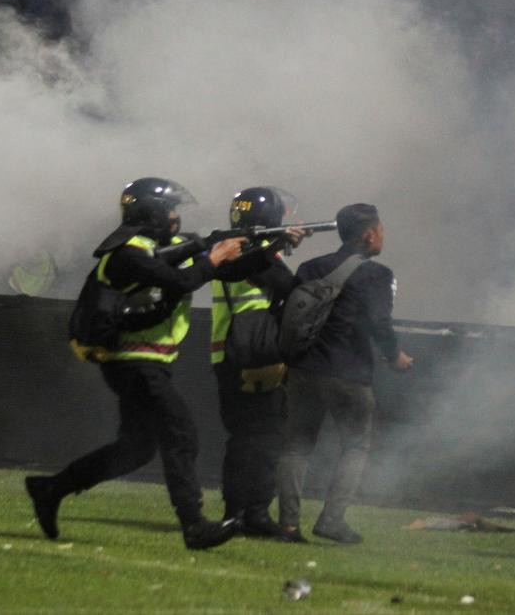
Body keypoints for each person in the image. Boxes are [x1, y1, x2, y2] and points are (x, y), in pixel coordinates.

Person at [25, 178, 247, 550]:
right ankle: (194, 525)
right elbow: (180, 279)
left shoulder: (143, 251)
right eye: (172, 210)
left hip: (139, 362)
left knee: (137, 449)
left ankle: (51, 488)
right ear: (155, 214)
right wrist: (212, 256)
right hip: (135, 361)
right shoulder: (129, 253)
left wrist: (264, 246)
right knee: (180, 435)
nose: (176, 218)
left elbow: (191, 268)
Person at [277, 203, 413, 544]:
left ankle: (289, 526)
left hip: (304, 369)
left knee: (297, 446)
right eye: (381, 230)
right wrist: (394, 355)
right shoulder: (377, 275)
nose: (383, 236)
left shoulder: (311, 267)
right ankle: (332, 520)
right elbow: (379, 322)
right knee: (356, 446)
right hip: (348, 373)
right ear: (369, 234)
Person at [209, 187, 307, 540]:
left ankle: (246, 512)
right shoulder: (246, 251)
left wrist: (277, 245)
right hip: (249, 357)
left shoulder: (238, 248)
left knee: (253, 439)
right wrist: (279, 245)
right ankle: (245, 513)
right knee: (258, 440)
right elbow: (289, 286)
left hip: (234, 355)